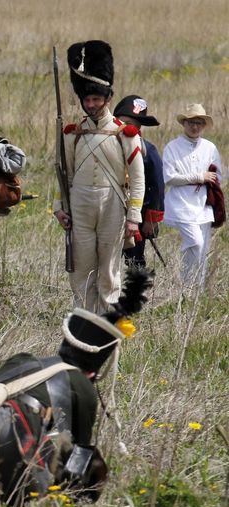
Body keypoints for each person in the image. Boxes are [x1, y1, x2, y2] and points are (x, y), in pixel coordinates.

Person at [0, 268, 151, 507]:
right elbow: (78, 457)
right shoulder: (84, 387)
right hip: (15, 442)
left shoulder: (23, 360)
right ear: (95, 366)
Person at [54, 41, 145, 313]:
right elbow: (64, 175)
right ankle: (83, 324)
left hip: (112, 206)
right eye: (87, 100)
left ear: (107, 98)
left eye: (96, 99)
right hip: (79, 206)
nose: (91, 104)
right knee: (81, 273)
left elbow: (138, 179)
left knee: (108, 273)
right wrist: (59, 207)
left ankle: (107, 327)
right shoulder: (72, 134)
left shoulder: (125, 134)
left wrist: (134, 217)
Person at [162, 103, 223, 286]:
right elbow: (169, 177)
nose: (195, 127)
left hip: (203, 204)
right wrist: (198, 177)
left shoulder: (210, 147)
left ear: (204, 125)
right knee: (195, 242)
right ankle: (185, 281)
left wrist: (211, 185)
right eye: (191, 122)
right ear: (184, 123)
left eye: (199, 123)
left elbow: (218, 176)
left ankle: (194, 290)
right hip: (181, 203)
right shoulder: (172, 147)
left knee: (202, 250)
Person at [113, 95, 164, 269]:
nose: (126, 127)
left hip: (137, 213)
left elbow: (157, 186)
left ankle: (138, 285)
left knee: (135, 260)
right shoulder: (106, 146)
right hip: (109, 209)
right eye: (122, 122)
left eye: (131, 124)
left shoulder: (148, 150)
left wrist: (151, 219)